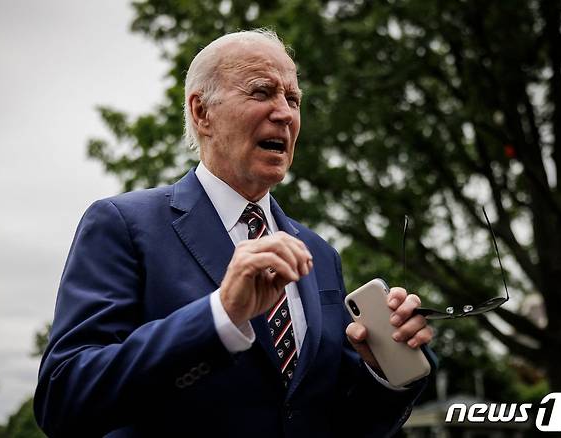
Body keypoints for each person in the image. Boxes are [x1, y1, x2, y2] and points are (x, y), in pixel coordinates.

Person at [34, 29, 434, 437]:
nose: (285, 113)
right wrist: (219, 316)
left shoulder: (319, 253)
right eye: (262, 92)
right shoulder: (122, 224)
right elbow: (63, 397)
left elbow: (335, 423)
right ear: (201, 112)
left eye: (293, 99)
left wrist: (383, 371)